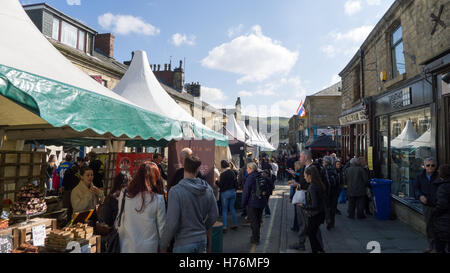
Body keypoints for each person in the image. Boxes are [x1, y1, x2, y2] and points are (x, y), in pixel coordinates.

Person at [161, 155, 218, 253]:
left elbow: (172, 223)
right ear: (197, 169)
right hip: (201, 239)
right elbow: (214, 215)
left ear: (183, 166)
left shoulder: (176, 191)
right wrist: (203, 227)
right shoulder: (207, 189)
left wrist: (163, 245)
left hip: (183, 241)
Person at [117, 162, 166, 253]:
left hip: (127, 246)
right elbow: (162, 229)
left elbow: (119, 218)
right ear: (155, 178)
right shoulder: (158, 199)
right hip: (149, 248)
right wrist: (163, 247)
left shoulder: (124, 194)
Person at [413, 157, 440, 253]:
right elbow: (416, 188)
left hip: (438, 205)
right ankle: (431, 245)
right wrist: (420, 196)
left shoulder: (439, 176)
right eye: (428, 165)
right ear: (424, 166)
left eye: (433, 165)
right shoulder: (420, 176)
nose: (430, 167)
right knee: (429, 226)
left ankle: (438, 247)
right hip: (427, 205)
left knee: (439, 226)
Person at [289, 150, 314, 251]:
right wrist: (295, 176)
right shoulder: (305, 167)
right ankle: (302, 242)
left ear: (306, 157)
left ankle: (302, 243)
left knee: (305, 222)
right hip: (302, 195)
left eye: (301, 157)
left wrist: (297, 184)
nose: (299, 159)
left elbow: (310, 183)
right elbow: (303, 180)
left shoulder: (312, 168)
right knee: (302, 221)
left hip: (306, 197)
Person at [299, 166, 327, 253]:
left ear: (310, 176)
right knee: (313, 234)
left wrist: (302, 205)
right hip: (320, 213)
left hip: (314, 215)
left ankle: (317, 250)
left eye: (305, 175)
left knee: (311, 235)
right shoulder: (319, 184)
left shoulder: (312, 187)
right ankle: (320, 250)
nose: (304, 177)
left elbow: (314, 205)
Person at [242, 162, 268, 245]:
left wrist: (243, 204)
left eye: (247, 168)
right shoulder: (261, 175)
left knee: (254, 222)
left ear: (251, 169)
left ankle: (255, 238)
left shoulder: (250, 178)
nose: (246, 170)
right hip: (261, 201)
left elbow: (246, 192)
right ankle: (256, 237)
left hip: (252, 202)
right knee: (258, 220)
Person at [432, 164, 450, 253]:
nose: (438, 171)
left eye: (439, 170)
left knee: (440, 247)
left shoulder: (443, 187)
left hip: (444, 223)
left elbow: (442, 205)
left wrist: (434, 213)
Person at [217, 160, 239, 232]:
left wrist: (216, 181)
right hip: (233, 192)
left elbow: (221, 185)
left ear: (222, 166)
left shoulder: (223, 174)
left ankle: (225, 226)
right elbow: (236, 183)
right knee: (232, 208)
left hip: (225, 193)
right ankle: (235, 224)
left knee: (224, 210)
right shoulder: (232, 172)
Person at [322, 156, 339, 230]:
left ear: (326, 162)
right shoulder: (334, 169)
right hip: (334, 191)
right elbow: (338, 181)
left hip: (326, 192)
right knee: (333, 207)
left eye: (323, 161)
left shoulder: (323, 170)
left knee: (326, 207)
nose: (323, 162)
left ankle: (328, 219)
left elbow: (321, 181)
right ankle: (332, 222)